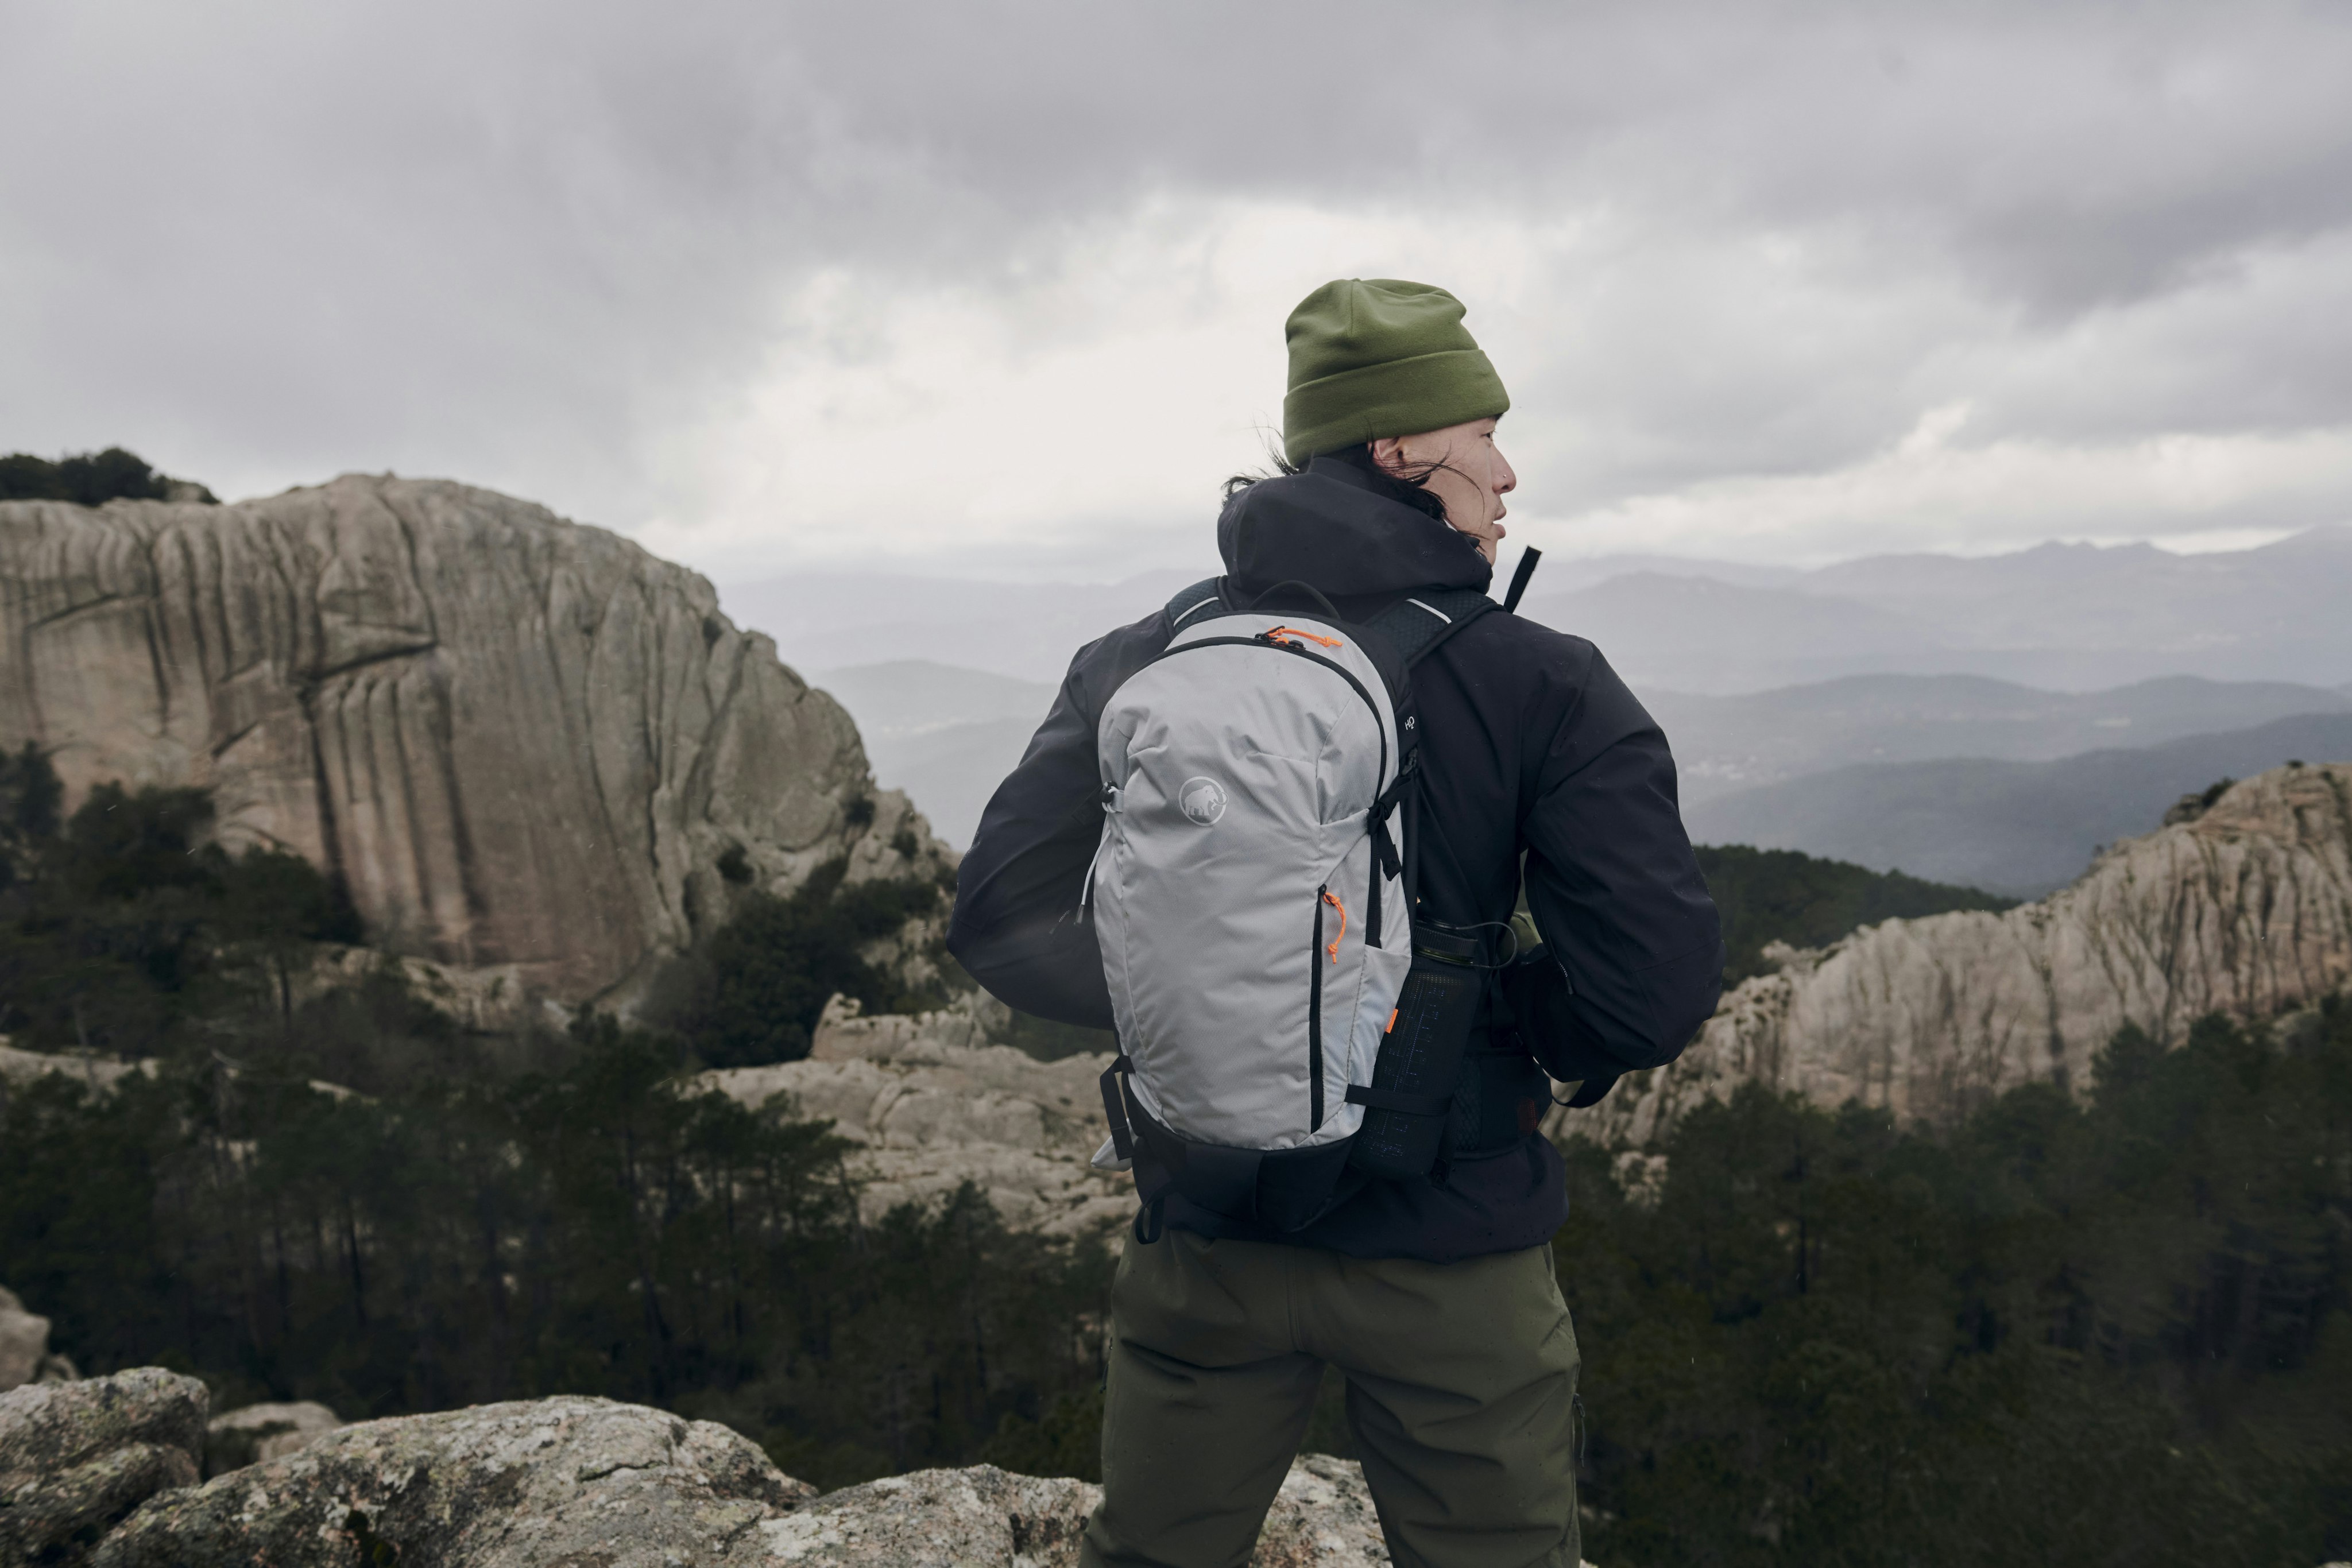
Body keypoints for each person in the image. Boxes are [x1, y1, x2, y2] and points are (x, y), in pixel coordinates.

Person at [950, 278, 1723, 1568]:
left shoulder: (1137, 654)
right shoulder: (1540, 679)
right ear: (1399, 448)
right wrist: (1470, 1023)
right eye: (1482, 434)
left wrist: (1203, 991)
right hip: (1452, 1245)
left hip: (1205, 1237)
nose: (1507, 471)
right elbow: (1648, 989)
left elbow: (999, 917)